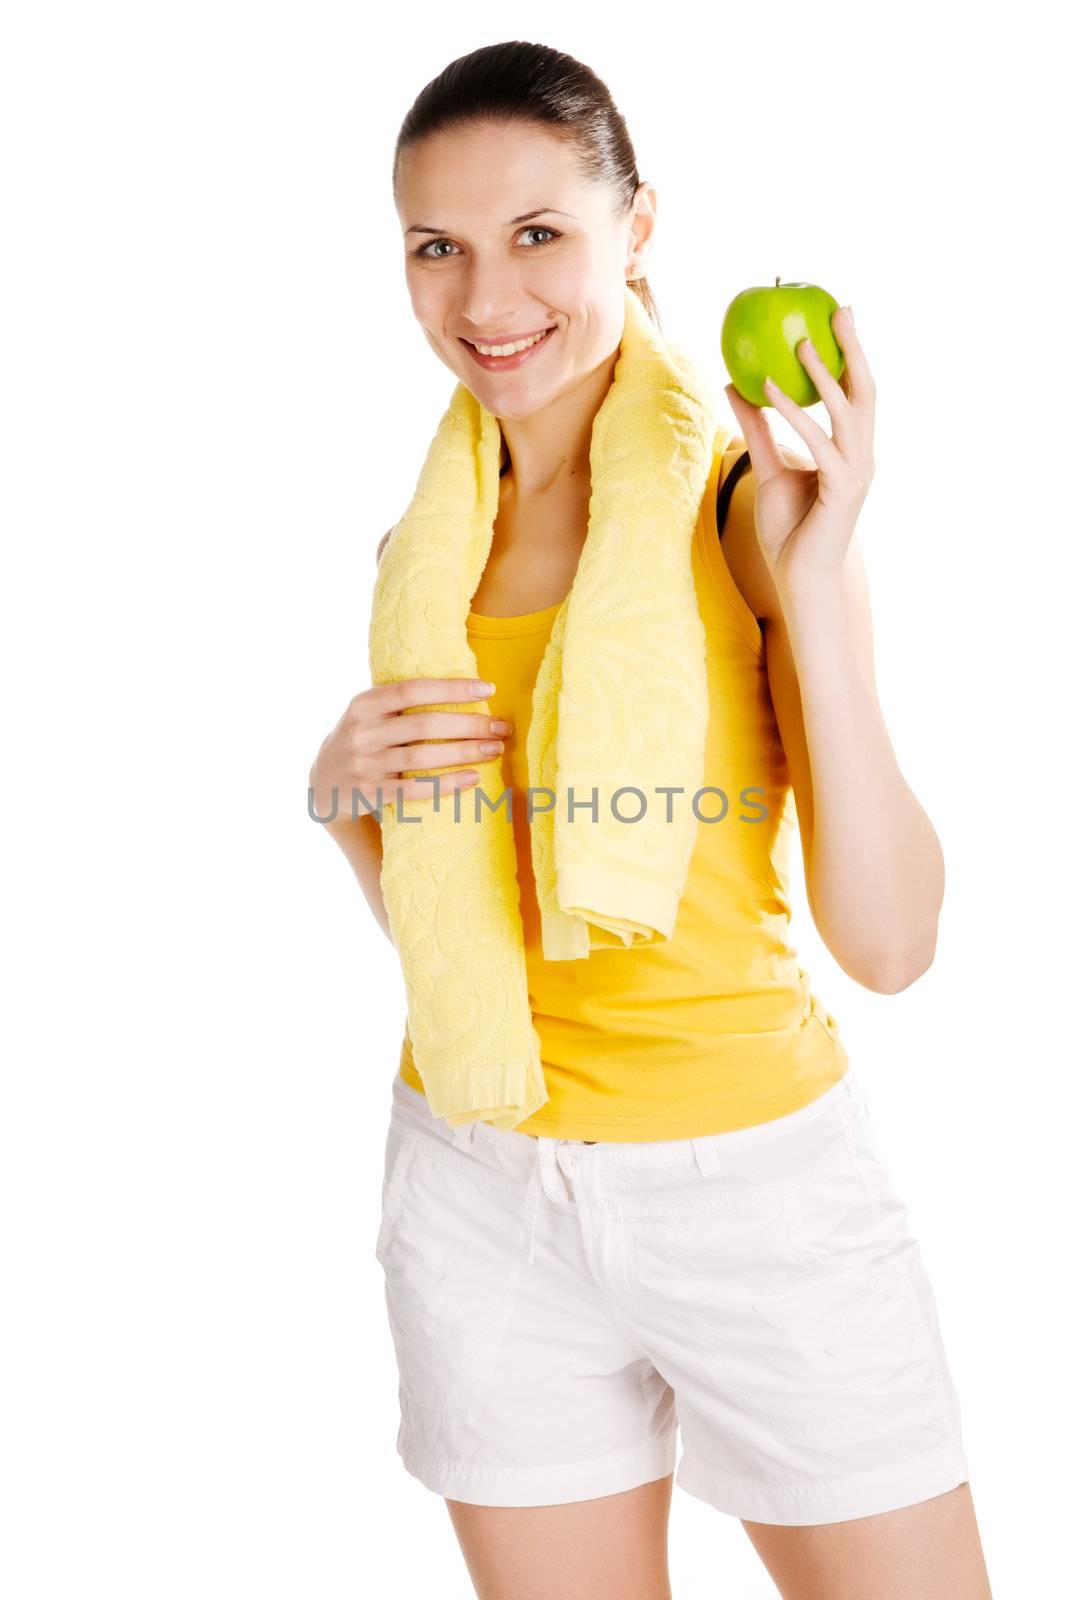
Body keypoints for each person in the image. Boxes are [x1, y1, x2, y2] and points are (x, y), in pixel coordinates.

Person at [308, 40, 993, 1600]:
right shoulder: (424, 548)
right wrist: (344, 798)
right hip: (478, 1183)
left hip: (748, 1187)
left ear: (638, 227)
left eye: (539, 233)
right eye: (439, 247)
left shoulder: (745, 505)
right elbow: (462, 925)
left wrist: (818, 586)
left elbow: (892, 942)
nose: (488, 299)